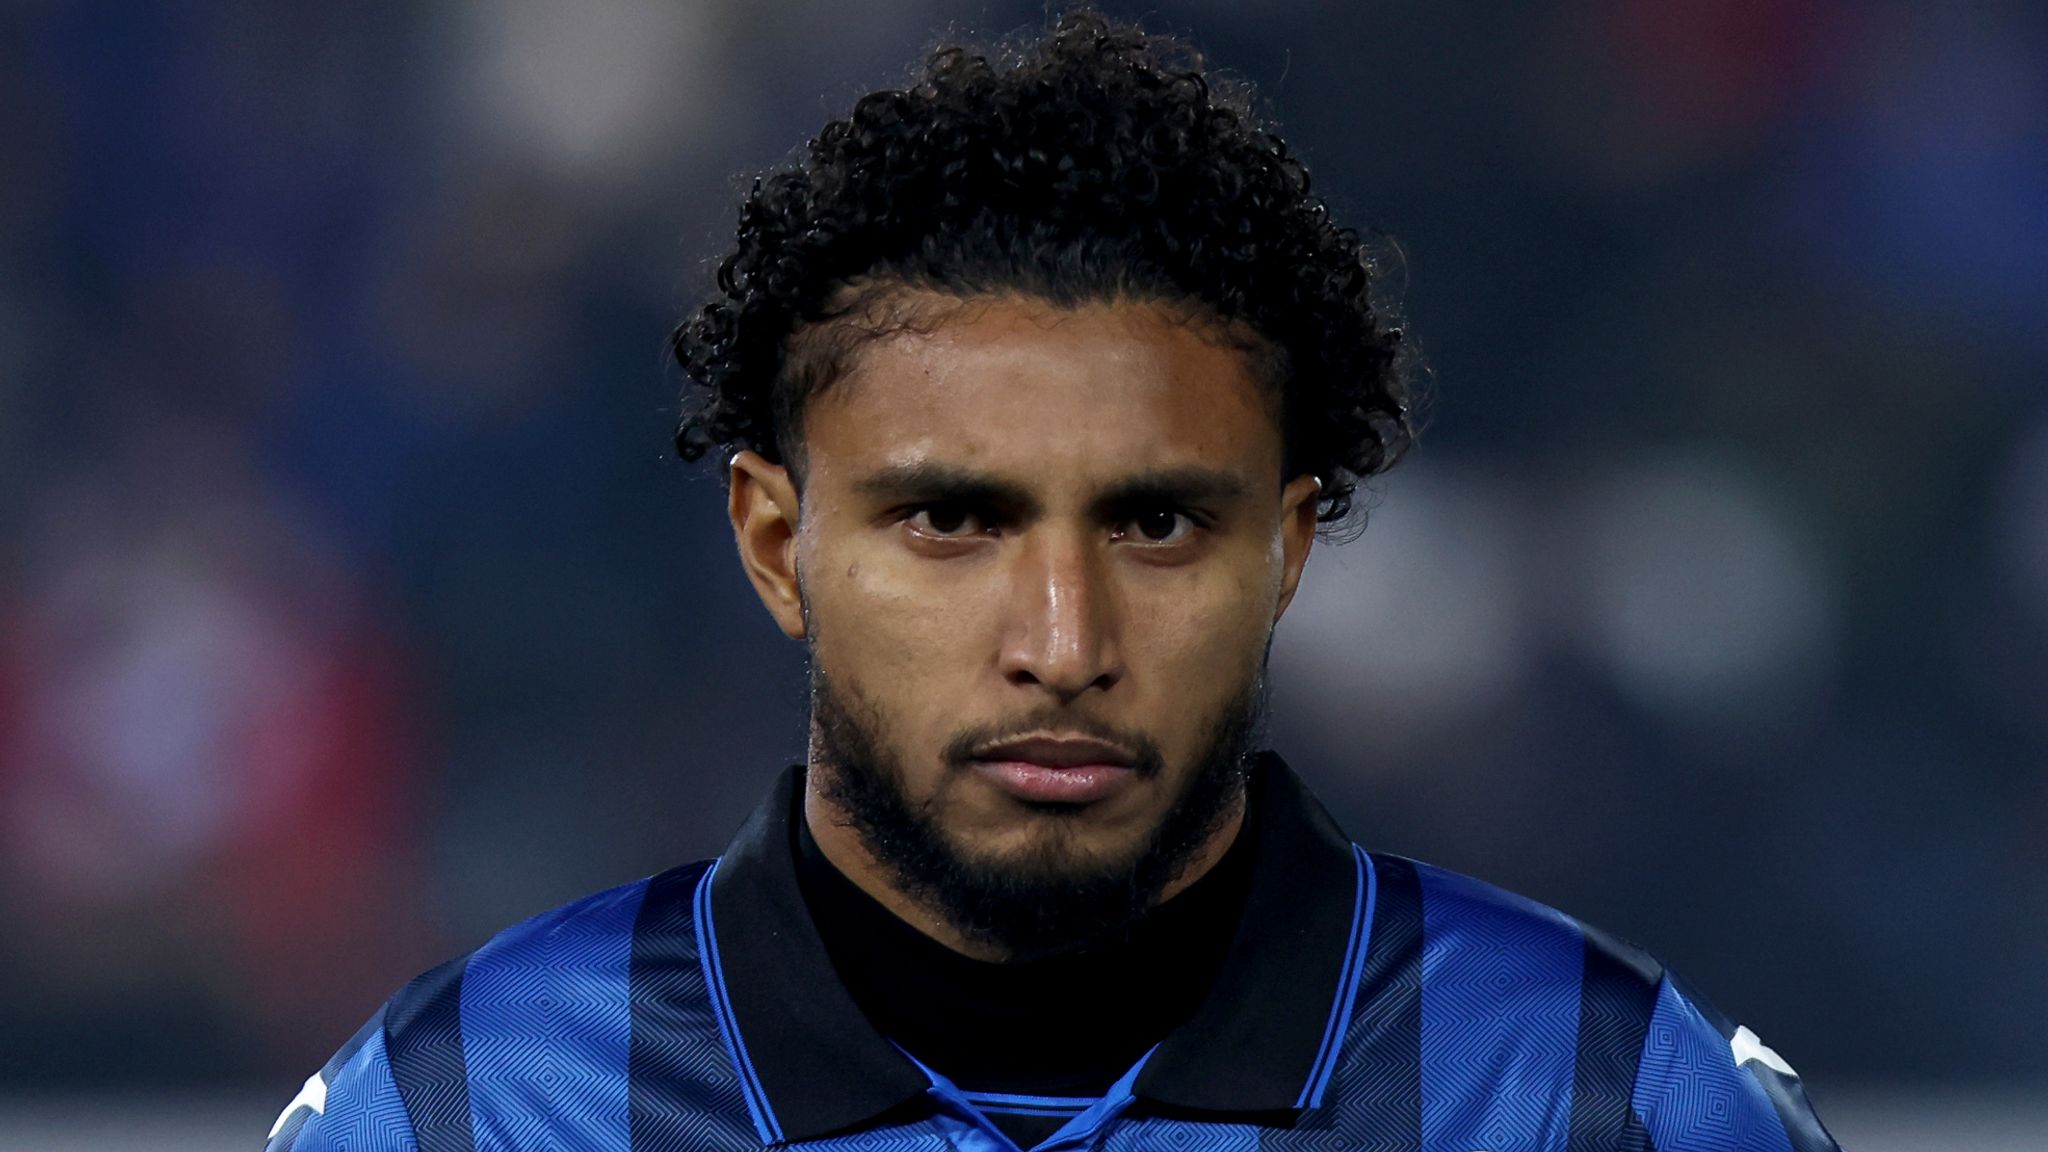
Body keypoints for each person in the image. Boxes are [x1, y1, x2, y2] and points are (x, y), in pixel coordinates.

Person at [265, 9, 1842, 1151]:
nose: (1063, 641)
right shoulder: (474, 1111)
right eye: (951, 523)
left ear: (1289, 550)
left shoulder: (1602, 1098)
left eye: (1157, 527)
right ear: (774, 547)